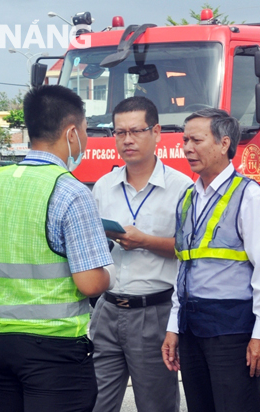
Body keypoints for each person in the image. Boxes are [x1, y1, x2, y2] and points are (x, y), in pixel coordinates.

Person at [0, 85, 114, 412]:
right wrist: (109, 269)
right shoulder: (70, 191)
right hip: (54, 350)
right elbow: (91, 284)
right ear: (71, 133)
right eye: (85, 130)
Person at [161, 109, 260, 412]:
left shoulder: (248, 196)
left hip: (231, 328)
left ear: (224, 143)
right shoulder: (188, 197)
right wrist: (174, 326)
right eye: (185, 139)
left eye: (196, 140)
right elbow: (182, 267)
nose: (187, 147)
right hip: (191, 326)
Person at [90, 96, 192, 412]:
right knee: (95, 402)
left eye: (136, 131)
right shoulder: (103, 187)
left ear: (157, 132)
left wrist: (145, 241)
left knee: (156, 404)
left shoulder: (182, 188)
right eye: (119, 133)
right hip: (107, 310)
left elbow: (190, 251)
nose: (127, 140)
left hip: (155, 312)